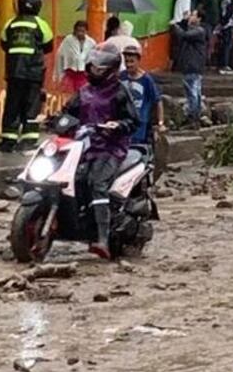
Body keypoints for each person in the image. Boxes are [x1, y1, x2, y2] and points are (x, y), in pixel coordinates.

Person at [61, 45, 139, 258]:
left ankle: (102, 238)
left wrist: (118, 125)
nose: (95, 72)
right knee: (72, 180)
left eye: (100, 69)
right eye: (93, 68)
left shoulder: (120, 92)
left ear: (111, 70)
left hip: (111, 148)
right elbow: (68, 112)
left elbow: (133, 121)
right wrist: (56, 120)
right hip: (83, 147)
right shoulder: (83, 92)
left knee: (97, 183)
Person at [0, 0, 54, 151]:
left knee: (12, 105)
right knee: (31, 106)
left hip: (14, 73)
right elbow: (48, 45)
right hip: (33, 74)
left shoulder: (11, 23)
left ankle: (8, 139)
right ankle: (28, 140)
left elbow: (4, 43)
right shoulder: (40, 24)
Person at [120, 38, 163, 148]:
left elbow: (158, 101)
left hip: (139, 122)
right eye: (126, 61)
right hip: (123, 121)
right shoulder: (121, 77)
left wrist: (160, 123)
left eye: (132, 61)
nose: (129, 65)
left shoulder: (146, 80)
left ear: (138, 61)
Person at [170, 7, 209, 125]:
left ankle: (193, 116)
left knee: (192, 92)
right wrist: (183, 21)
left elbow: (183, 35)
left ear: (199, 18)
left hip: (193, 65)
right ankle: (195, 115)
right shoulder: (196, 30)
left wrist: (174, 25)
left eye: (193, 15)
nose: (190, 16)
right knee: (194, 91)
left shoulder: (199, 31)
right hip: (193, 65)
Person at [56, 20, 96, 95]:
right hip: (70, 75)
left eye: (82, 31)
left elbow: (94, 60)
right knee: (68, 97)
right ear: (75, 30)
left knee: (83, 96)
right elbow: (60, 56)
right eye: (78, 31)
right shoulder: (68, 40)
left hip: (83, 76)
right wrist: (60, 74)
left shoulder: (91, 43)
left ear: (86, 31)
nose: (80, 33)